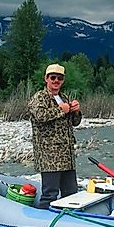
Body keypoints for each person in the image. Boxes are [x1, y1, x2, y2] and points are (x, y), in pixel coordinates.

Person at [28, 63, 82, 208]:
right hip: (49, 156)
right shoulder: (40, 97)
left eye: (60, 78)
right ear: (46, 78)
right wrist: (61, 110)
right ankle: (43, 224)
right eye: (53, 77)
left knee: (71, 193)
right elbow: (40, 116)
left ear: (63, 80)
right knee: (50, 194)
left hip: (67, 156)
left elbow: (74, 123)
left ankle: (68, 223)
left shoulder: (64, 97)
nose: (56, 81)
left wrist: (76, 111)